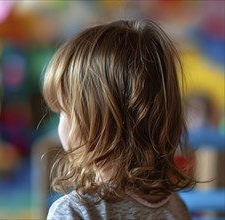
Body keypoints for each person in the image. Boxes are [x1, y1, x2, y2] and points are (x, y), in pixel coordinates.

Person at [42, 19, 195, 220]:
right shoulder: (174, 206)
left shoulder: (74, 211)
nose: (60, 126)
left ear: (96, 121)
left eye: (63, 111)